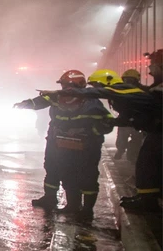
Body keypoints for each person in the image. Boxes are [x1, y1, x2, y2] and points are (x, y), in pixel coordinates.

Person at [69, 51, 161, 212]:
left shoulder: (143, 90)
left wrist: (72, 92)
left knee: (147, 164)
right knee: (148, 164)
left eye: (153, 65)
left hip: (158, 133)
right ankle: (148, 198)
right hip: (154, 132)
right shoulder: (153, 88)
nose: (150, 70)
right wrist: (118, 121)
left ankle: (148, 201)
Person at [14, 69, 113, 217]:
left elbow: (107, 122)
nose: (64, 88)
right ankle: (64, 203)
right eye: (63, 85)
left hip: (86, 145)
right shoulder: (58, 97)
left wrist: (91, 133)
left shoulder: (92, 102)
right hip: (59, 142)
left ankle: (86, 210)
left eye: (66, 85)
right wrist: (26, 104)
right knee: (58, 169)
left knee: (87, 175)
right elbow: (42, 101)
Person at [114, 68, 145, 161]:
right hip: (125, 117)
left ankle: (132, 156)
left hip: (138, 120)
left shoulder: (142, 91)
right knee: (121, 137)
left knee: (137, 140)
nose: (128, 82)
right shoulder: (121, 90)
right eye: (126, 80)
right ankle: (120, 150)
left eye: (130, 80)